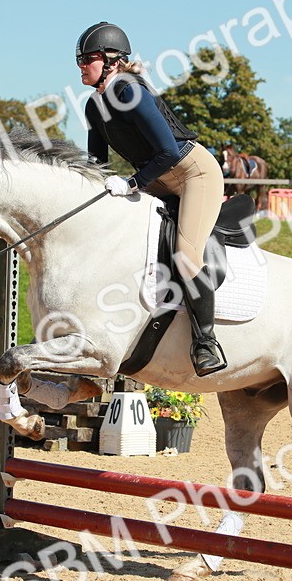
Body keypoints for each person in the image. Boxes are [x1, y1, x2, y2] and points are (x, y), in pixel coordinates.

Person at [76, 21, 227, 376]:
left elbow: (168, 152)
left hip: (193, 174)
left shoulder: (128, 90)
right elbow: (96, 164)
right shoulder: (94, 106)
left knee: (186, 255)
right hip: (156, 180)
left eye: (88, 58)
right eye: (79, 60)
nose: (81, 65)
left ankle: (206, 343)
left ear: (112, 60)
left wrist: (131, 183)